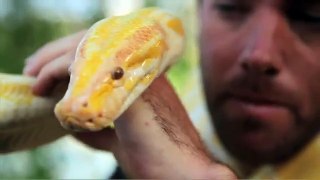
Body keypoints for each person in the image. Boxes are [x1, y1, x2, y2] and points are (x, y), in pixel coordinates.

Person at [23, 0, 320, 178]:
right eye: (231, 6)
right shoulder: (136, 152)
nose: (259, 55)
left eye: (311, 16)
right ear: (197, 17)